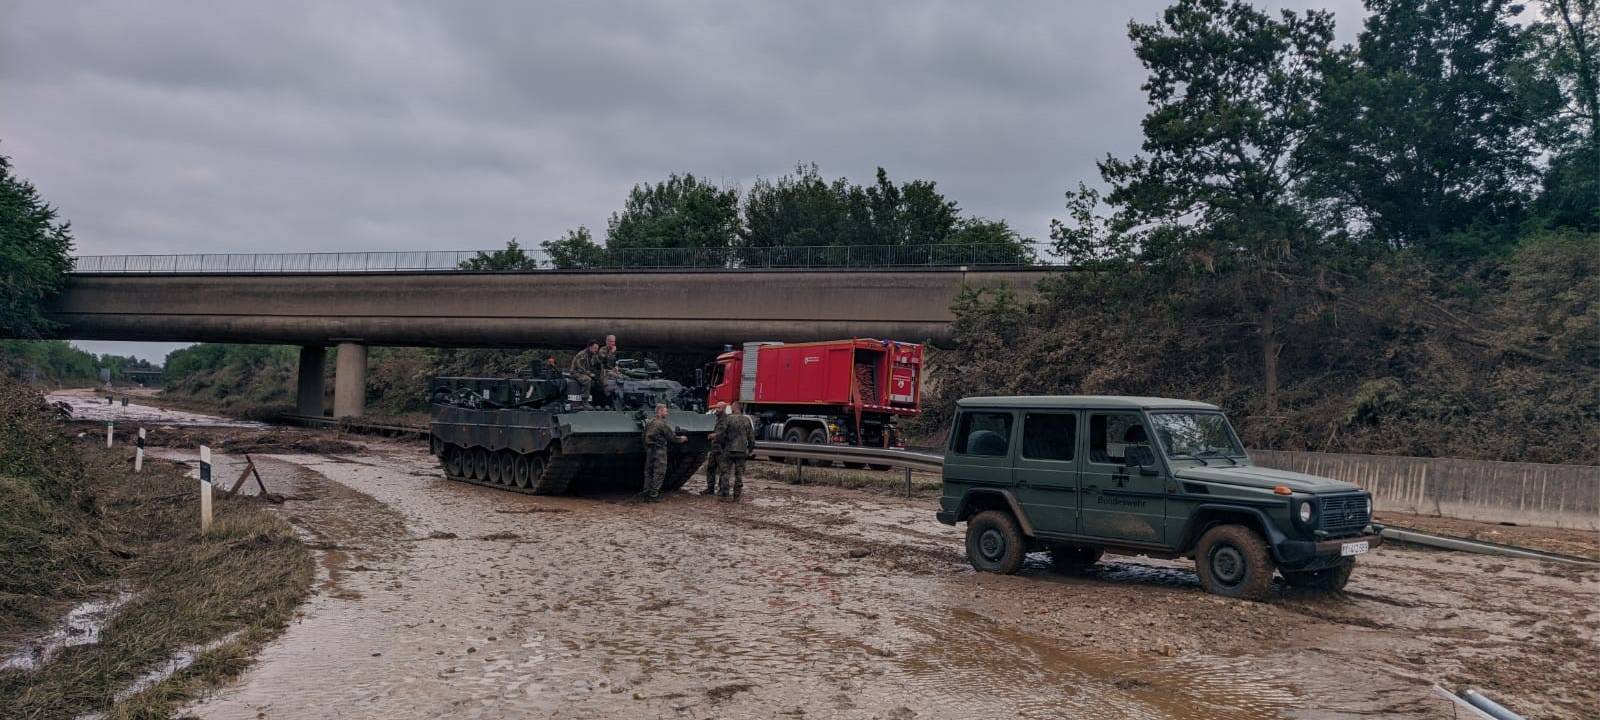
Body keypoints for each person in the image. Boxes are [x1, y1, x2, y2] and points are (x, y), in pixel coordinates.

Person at [640, 403, 687, 502]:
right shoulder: (662, 424)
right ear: (660, 412)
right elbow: (672, 437)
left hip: (650, 450)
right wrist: (682, 439)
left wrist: (647, 447)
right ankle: (654, 495)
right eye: (665, 411)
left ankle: (646, 493)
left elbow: (643, 436)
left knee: (649, 472)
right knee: (659, 472)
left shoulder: (650, 422)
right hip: (659, 451)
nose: (667, 413)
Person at [717, 401, 755, 501]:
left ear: (734, 408)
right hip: (741, 451)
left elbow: (721, 434)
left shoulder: (728, 419)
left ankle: (725, 495)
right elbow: (751, 437)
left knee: (725, 472)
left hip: (728, 449)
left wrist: (722, 445)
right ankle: (736, 496)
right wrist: (750, 449)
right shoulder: (747, 420)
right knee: (739, 474)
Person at [703, 402, 728, 495]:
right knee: (710, 468)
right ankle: (710, 488)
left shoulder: (726, 419)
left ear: (724, 409)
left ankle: (722, 490)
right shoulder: (716, 418)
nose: (716, 409)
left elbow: (725, 432)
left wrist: (716, 435)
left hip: (722, 448)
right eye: (716, 407)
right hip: (714, 447)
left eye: (719, 408)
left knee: (723, 470)